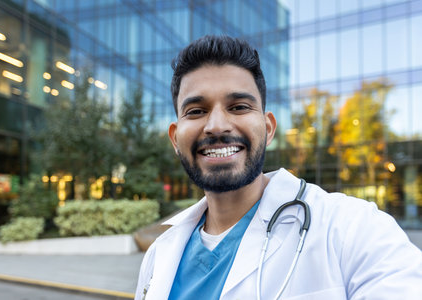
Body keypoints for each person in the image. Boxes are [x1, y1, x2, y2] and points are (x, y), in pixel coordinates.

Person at [135, 35, 422, 300]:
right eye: (197, 111)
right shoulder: (160, 254)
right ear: (175, 137)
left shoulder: (353, 229)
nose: (217, 126)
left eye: (239, 107)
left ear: (268, 128)